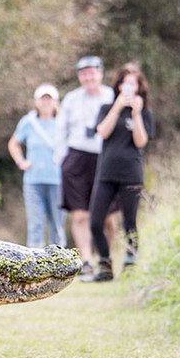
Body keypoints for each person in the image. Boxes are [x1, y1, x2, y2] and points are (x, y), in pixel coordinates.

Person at [88, 64, 154, 282]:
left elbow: (141, 141)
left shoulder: (144, 112)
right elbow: (102, 132)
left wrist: (135, 114)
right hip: (106, 172)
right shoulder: (107, 107)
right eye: (125, 83)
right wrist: (117, 108)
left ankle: (130, 264)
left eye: (133, 83)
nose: (128, 87)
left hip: (131, 174)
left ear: (139, 87)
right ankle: (105, 265)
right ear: (118, 85)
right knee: (96, 221)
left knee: (130, 223)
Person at [55, 56, 117, 276]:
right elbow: (61, 130)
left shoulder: (112, 96)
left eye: (92, 72)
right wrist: (61, 161)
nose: (89, 77)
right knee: (80, 214)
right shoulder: (71, 99)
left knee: (108, 215)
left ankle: (105, 258)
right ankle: (86, 260)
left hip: (105, 158)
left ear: (100, 73)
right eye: (84, 73)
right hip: (77, 157)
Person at [8, 84, 66, 248]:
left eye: (50, 98)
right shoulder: (29, 122)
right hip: (34, 181)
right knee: (35, 225)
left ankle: (59, 264)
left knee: (57, 224)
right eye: (43, 98)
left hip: (58, 180)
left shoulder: (63, 122)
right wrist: (21, 161)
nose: (46, 102)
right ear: (36, 101)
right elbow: (14, 143)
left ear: (56, 101)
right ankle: (34, 264)